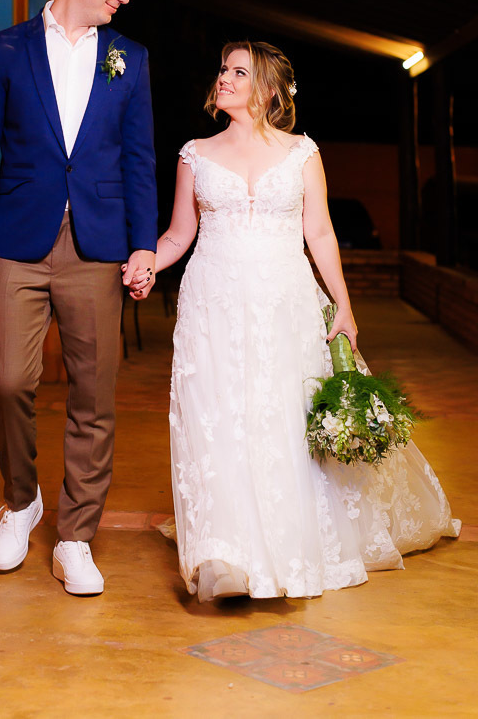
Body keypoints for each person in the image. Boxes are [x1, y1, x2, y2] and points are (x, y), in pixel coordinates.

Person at [133, 41, 459, 601]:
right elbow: (178, 235)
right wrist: (147, 261)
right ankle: (221, 557)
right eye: (223, 69)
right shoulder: (194, 155)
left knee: (280, 421)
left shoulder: (303, 153)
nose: (225, 78)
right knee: (218, 420)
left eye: (240, 71)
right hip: (213, 304)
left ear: (266, 90)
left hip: (286, 304)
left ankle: (285, 544)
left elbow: (321, 234)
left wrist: (345, 308)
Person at [0, 0, 157, 596]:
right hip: (15, 239)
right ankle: (22, 501)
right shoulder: (5, 50)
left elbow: (138, 160)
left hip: (98, 244)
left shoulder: (130, 57)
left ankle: (75, 536)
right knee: (10, 379)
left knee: (93, 393)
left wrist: (143, 244)